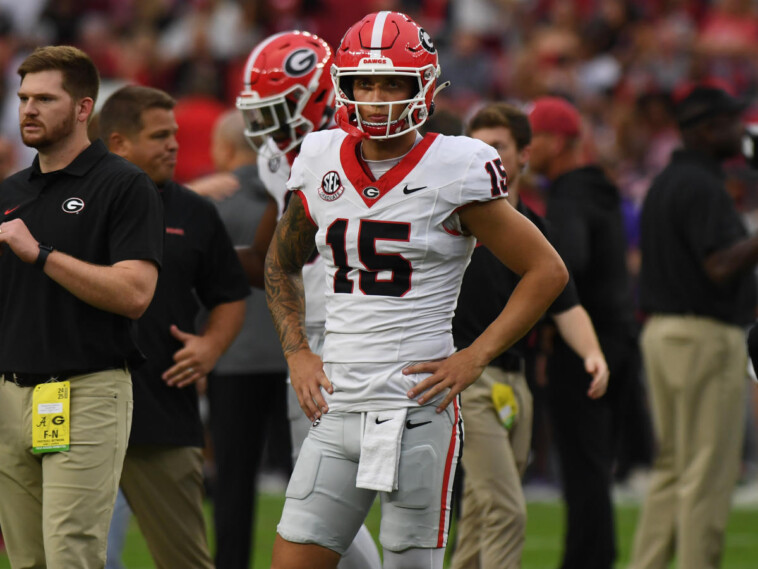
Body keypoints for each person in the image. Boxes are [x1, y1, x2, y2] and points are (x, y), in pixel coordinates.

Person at [264, 12, 568, 569]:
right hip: (335, 407)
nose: (377, 97)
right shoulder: (321, 156)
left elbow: (546, 271)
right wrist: (298, 352)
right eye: (365, 83)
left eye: (393, 83)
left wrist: (474, 357)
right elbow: (280, 263)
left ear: (422, 85)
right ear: (345, 87)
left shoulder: (458, 165)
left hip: (414, 410)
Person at [0, 46, 163, 569]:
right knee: (26, 560)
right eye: (24, 98)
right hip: (10, 395)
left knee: (72, 554)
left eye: (45, 98)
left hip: (86, 390)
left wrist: (41, 254)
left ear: (82, 108)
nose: (28, 109)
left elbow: (136, 293)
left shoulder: (123, 184)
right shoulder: (10, 190)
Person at [233, 30, 383, 569]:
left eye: (276, 110)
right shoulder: (281, 159)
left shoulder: (361, 142)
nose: (265, 128)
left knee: (322, 495)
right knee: (321, 487)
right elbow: (272, 255)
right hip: (312, 333)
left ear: (317, 95)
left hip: (360, 329)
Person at [451, 102, 609, 569]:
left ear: (524, 154)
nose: (490, 156)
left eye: (499, 146)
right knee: (505, 508)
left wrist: (593, 353)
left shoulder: (535, 232)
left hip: (516, 382)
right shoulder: (452, 221)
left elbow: (566, 304)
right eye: (479, 146)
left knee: (483, 512)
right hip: (468, 378)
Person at [99, 85, 249, 569]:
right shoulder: (70, 203)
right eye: (160, 135)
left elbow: (229, 295)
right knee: (68, 556)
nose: (174, 145)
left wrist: (211, 346)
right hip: (77, 408)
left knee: (185, 560)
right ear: (119, 143)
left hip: (163, 410)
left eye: (175, 134)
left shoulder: (194, 211)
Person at [630, 83, 753, 569]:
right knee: (708, 472)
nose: (740, 130)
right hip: (703, 335)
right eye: (729, 122)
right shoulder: (703, 185)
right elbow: (720, 266)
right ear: (705, 129)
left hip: (664, 335)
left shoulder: (667, 181)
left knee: (672, 469)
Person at [527, 96, 639, 569]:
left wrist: (549, 329)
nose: (526, 153)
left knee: (582, 467)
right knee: (594, 466)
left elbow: (564, 266)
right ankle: (598, 556)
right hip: (617, 338)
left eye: (531, 141)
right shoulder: (599, 189)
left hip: (585, 345)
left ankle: (585, 561)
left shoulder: (571, 195)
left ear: (556, 142)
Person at [197, 109, 292, 569]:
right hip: (296, 360)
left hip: (231, 360)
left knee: (233, 485)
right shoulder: (292, 198)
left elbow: (197, 286)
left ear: (223, 149)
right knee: (310, 485)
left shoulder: (210, 204)